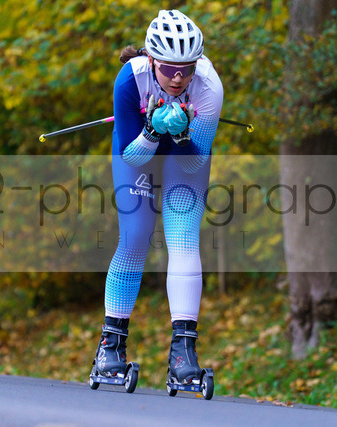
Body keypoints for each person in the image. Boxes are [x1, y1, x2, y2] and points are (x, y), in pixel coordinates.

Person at [94, 9, 223, 386]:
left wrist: (181, 136)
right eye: (169, 69)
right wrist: (152, 130)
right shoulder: (129, 79)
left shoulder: (209, 88)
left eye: (187, 69)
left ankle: (183, 351)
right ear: (151, 60)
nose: (179, 78)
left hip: (186, 155)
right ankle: (111, 345)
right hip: (139, 152)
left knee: (183, 239)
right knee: (135, 237)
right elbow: (130, 156)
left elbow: (194, 161)